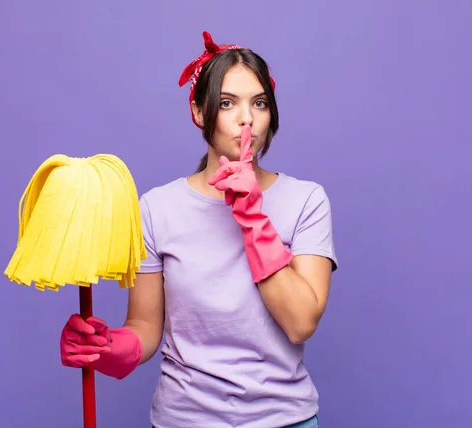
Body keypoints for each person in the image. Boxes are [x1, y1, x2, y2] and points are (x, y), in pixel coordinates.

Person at [59, 31, 338, 428]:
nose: (246, 119)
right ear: (199, 112)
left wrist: (253, 218)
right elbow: (145, 327)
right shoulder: (156, 209)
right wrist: (104, 349)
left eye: (259, 103)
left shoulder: (307, 200)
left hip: (285, 420)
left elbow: (300, 323)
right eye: (227, 103)